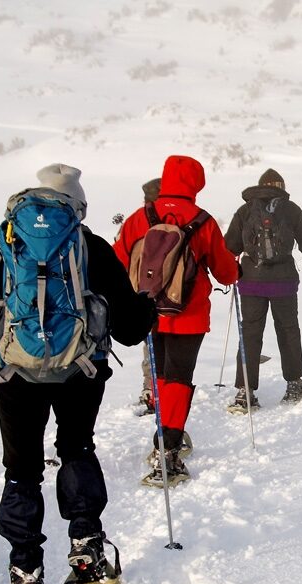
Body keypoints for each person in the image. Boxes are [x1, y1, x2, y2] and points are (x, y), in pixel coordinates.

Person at [0, 164, 155, 584]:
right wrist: (144, 310)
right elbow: (127, 330)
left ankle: (25, 573)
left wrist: (5, 325)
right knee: (76, 450)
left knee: (21, 467)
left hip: (15, 375)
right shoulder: (90, 247)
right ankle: (86, 555)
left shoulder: (6, 244)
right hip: (80, 372)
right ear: (77, 205)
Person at [113, 156, 238, 484]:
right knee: (179, 379)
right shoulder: (203, 220)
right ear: (196, 184)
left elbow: (118, 260)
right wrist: (234, 269)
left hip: (148, 311)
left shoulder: (141, 217)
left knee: (163, 376)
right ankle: (167, 452)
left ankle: (166, 438)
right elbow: (226, 273)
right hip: (189, 314)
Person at [223, 168, 302, 412]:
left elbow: (229, 246)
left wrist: (229, 272)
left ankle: (244, 391)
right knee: (288, 330)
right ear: (281, 186)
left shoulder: (246, 210)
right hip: (284, 281)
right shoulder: (290, 209)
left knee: (250, 333)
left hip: (250, 282)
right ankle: (295, 383)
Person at [136, 177, 161, 415]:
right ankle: (167, 390)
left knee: (150, 345)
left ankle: (150, 390)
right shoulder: (179, 218)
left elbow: (120, 257)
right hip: (175, 299)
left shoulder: (136, 221)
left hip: (142, 295)